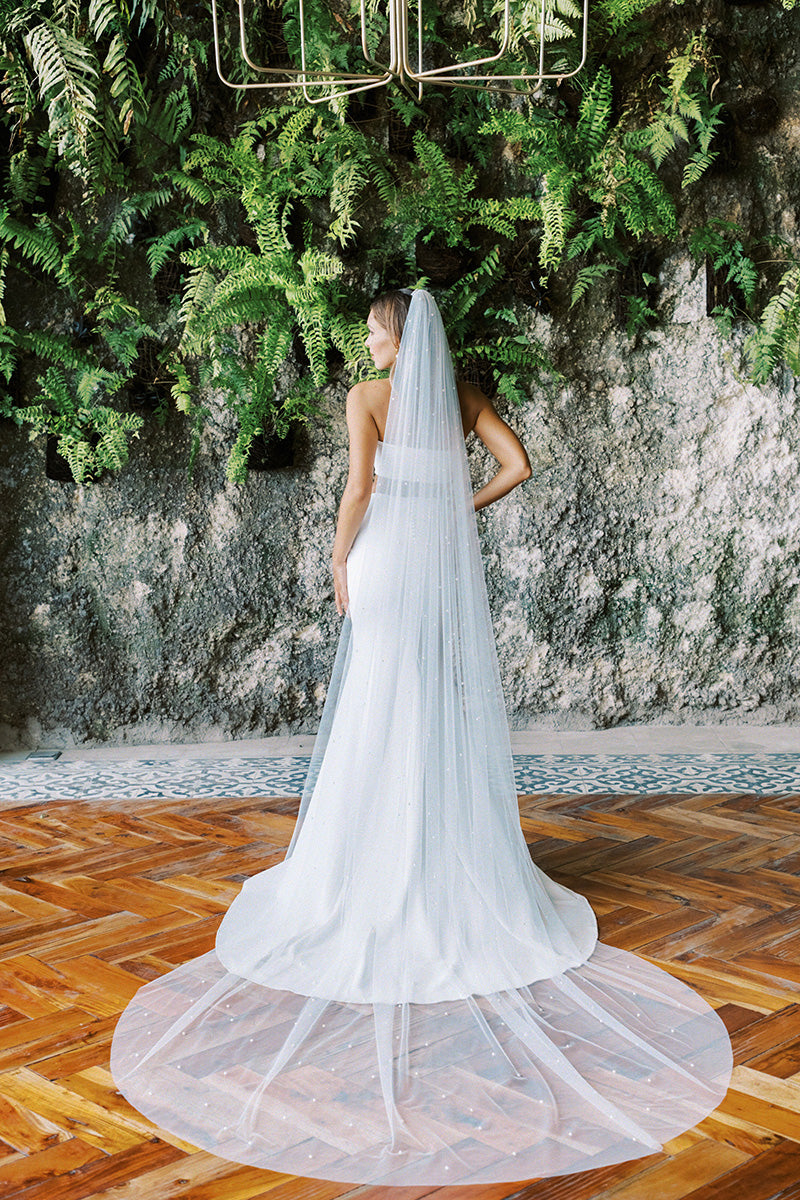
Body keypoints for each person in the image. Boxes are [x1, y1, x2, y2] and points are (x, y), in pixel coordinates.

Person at [110, 288, 732, 1187]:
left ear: (398, 336)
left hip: (385, 560)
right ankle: (433, 854)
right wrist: (456, 510)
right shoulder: (464, 394)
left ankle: (366, 860)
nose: (364, 340)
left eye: (371, 328)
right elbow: (520, 465)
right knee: (427, 705)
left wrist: (336, 557)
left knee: (376, 701)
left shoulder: (369, 396)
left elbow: (360, 487)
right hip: (433, 564)